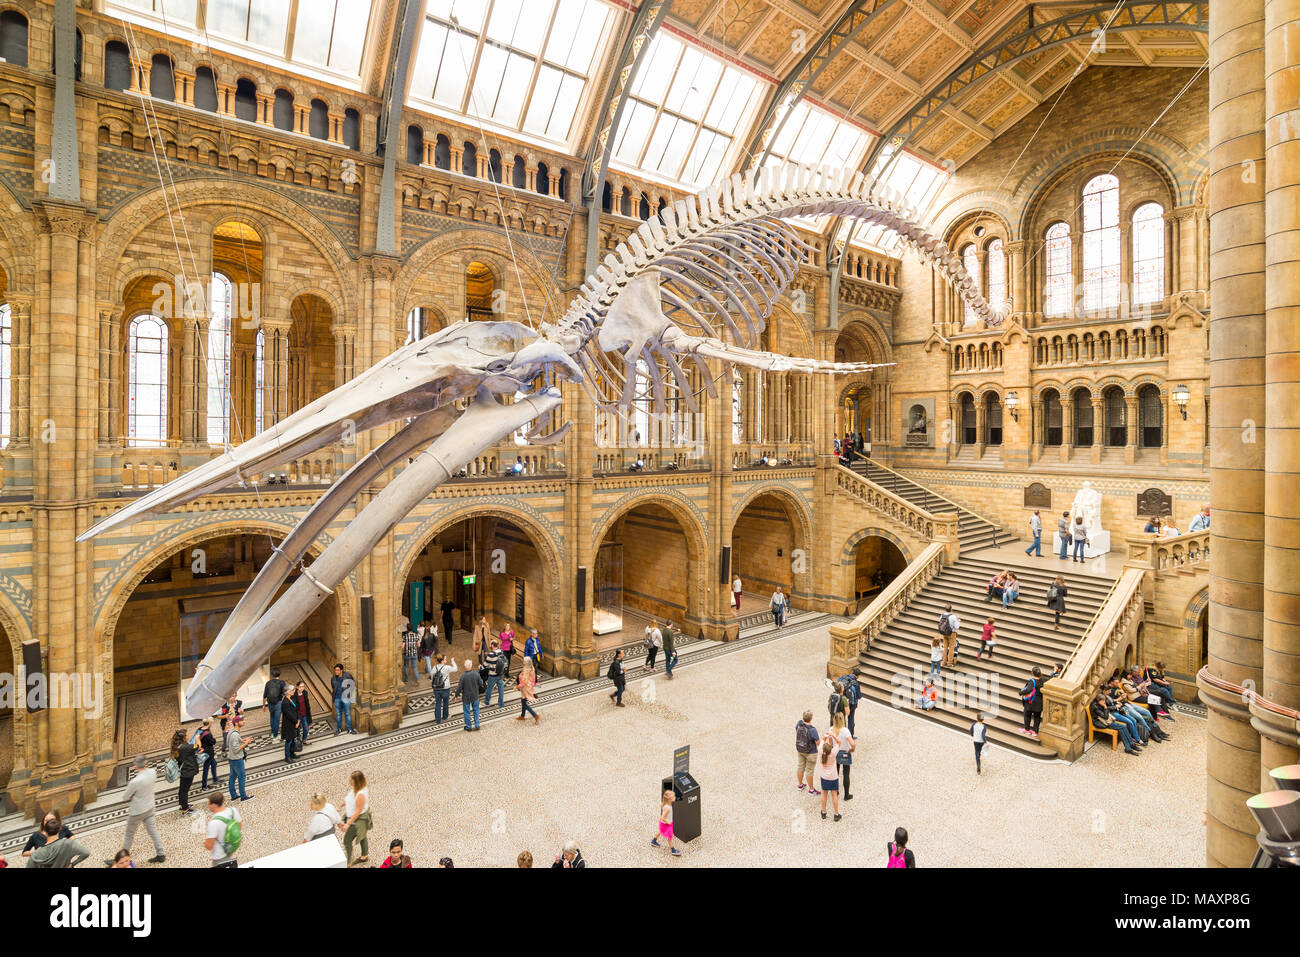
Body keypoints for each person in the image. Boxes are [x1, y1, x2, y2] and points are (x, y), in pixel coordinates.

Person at [121, 754, 166, 863]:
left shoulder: (135, 781)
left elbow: (125, 797)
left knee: (129, 834)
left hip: (137, 811)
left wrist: (132, 796)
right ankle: (161, 854)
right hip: (150, 806)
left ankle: (122, 858)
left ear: (135, 766)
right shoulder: (153, 772)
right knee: (153, 831)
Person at [25, 816, 90, 868]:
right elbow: (86, 853)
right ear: (59, 829)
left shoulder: (36, 854)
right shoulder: (68, 843)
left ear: (45, 832)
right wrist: (72, 864)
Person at [338, 770, 372, 866]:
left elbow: (358, 811)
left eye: (351, 779)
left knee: (347, 841)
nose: (349, 781)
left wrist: (348, 824)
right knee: (363, 836)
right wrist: (340, 806)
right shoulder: (356, 788)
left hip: (357, 821)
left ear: (356, 781)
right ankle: (364, 856)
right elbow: (349, 798)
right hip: (356, 819)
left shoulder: (360, 794)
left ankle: (348, 862)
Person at [1018, 663, 1062, 736]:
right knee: (1037, 717)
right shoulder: (1044, 679)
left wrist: (1020, 692)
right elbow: (1051, 680)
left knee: (1027, 715)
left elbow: (1028, 690)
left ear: (1032, 673)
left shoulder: (1032, 681)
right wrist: (1055, 672)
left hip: (1031, 702)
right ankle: (1035, 731)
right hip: (1039, 702)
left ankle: (1027, 729)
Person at [205, 792, 241, 868]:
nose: (208, 806)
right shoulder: (233, 811)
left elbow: (209, 846)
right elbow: (239, 826)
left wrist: (205, 842)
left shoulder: (214, 823)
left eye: (209, 804)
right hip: (230, 848)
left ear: (214, 805)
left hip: (219, 857)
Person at [171, 729, 199, 814]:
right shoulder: (185, 747)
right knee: (185, 790)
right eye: (187, 735)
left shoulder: (177, 746)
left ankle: (182, 804)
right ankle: (185, 809)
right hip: (188, 771)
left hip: (183, 770)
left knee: (182, 789)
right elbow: (197, 746)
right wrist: (197, 738)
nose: (189, 736)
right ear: (183, 738)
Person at [225, 715, 251, 803]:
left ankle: (233, 795)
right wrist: (246, 743)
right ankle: (243, 796)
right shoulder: (234, 735)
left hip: (231, 758)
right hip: (236, 759)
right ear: (236, 723)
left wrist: (242, 740)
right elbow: (236, 749)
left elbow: (232, 743)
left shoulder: (232, 731)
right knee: (241, 777)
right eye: (242, 720)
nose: (244, 721)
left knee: (232, 777)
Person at [795, 710, 821, 795]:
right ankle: (811, 790)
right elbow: (818, 743)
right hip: (811, 752)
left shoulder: (799, 724)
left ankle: (800, 785)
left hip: (800, 749)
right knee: (809, 770)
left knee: (800, 767)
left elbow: (797, 733)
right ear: (811, 718)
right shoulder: (812, 730)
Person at [831, 710, 855, 801]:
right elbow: (853, 743)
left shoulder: (831, 730)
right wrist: (852, 750)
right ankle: (846, 795)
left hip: (835, 752)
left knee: (835, 773)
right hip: (845, 752)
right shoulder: (845, 731)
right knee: (846, 774)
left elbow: (830, 744)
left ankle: (836, 791)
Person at [650, 789, 682, 856]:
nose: (675, 797)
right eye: (673, 797)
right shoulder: (668, 808)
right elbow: (662, 817)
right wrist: (668, 822)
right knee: (670, 837)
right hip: (667, 824)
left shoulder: (664, 804)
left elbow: (661, 806)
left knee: (660, 831)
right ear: (670, 799)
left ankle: (654, 841)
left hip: (662, 823)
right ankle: (673, 850)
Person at [817, 736, 840, 822]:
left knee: (824, 794)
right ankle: (836, 814)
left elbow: (822, 740)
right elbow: (839, 743)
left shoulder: (820, 752)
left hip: (824, 777)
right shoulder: (833, 753)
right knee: (834, 795)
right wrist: (832, 735)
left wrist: (825, 736)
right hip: (833, 777)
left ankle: (823, 812)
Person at [193, 719, 220, 789]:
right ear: (209, 723)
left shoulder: (199, 729)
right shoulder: (207, 734)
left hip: (203, 750)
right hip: (208, 753)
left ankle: (215, 779)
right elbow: (213, 742)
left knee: (214, 763)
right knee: (206, 769)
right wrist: (213, 738)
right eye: (211, 723)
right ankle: (204, 785)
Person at [431, 653, 457, 724]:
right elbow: (455, 669)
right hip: (445, 688)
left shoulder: (434, 667)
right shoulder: (446, 667)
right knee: (446, 703)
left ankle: (438, 720)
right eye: (445, 659)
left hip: (436, 689)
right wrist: (453, 661)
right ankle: (445, 716)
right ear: (442, 661)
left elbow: (432, 677)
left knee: (438, 704)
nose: (446, 660)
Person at [458, 659, 484, 730]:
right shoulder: (476, 674)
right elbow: (481, 684)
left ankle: (468, 726)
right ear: (471, 666)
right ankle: (477, 724)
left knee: (466, 712)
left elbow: (459, 687)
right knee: (476, 710)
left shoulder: (463, 676)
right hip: (475, 695)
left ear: (465, 667)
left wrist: (456, 695)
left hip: (466, 697)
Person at [332, 662, 357, 735]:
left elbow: (352, 685)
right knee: (338, 714)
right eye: (335, 670)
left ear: (341, 670)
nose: (336, 672)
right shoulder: (333, 678)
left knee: (347, 713)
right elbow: (333, 687)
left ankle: (350, 729)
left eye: (337, 670)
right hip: (337, 698)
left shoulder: (347, 676)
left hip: (345, 698)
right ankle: (339, 729)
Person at [263, 669, 287, 743]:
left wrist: (264, 705)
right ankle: (275, 737)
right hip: (278, 703)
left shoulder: (268, 683)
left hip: (270, 703)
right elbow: (285, 693)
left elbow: (264, 695)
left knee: (272, 717)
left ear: (272, 675)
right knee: (276, 720)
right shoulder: (282, 683)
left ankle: (273, 733)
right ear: (279, 675)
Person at [483, 638, 507, 707]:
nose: (490, 645)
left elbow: (485, 665)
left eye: (491, 643)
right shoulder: (501, 652)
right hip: (500, 673)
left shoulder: (491, 654)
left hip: (493, 675)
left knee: (489, 688)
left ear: (493, 645)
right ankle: (501, 703)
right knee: (501, 689)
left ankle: (486, 702)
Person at [516, 656, 540, 723]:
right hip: (529, 687)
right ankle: (522, 716)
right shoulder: (532, 667)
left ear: (526, 662)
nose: (522, 662)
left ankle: (535, 715)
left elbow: (524, 681)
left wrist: (517, 686)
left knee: (524, 704)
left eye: (523, 661)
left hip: (525, 688)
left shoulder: (526, 670)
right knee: (523, 701)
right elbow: (533, 678)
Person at [280, 690, 300, 763]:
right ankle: (287, 757)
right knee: (289, 741)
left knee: (292, 739)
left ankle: (292, 753)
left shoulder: (291, 699)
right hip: (289, 724)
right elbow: (289, 714)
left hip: (294, 723)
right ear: (287, 692)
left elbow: (296, 709)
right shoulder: (285, 702)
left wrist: (298, 719)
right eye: (292, 690)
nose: (293, 691)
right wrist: (296, 721)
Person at [292, 680, 312, 744]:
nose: (302, 688)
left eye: (303, 686)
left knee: (306, 729)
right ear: (297, 687)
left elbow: (307, 704)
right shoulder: (294, 695)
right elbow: (294, 706)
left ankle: (304, 740)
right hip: (297, 716)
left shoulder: (305, 693)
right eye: (300, 687)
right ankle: (298, 742)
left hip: (304, 715)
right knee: (297, 730)